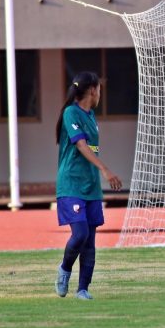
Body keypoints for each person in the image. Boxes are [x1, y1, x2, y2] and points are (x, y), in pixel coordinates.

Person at [54, 71, 122, 300]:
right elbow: (82, 146)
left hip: (91, 187)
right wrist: (105, 169)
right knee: (80, 233)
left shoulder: (91, 115)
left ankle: (82, 289)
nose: (100, 93)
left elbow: (90, 149)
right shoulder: (70, 113)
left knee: (90, 240)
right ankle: (64, 269)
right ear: (92, 90)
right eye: (100, 89)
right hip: (71, 184)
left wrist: (98, 173)